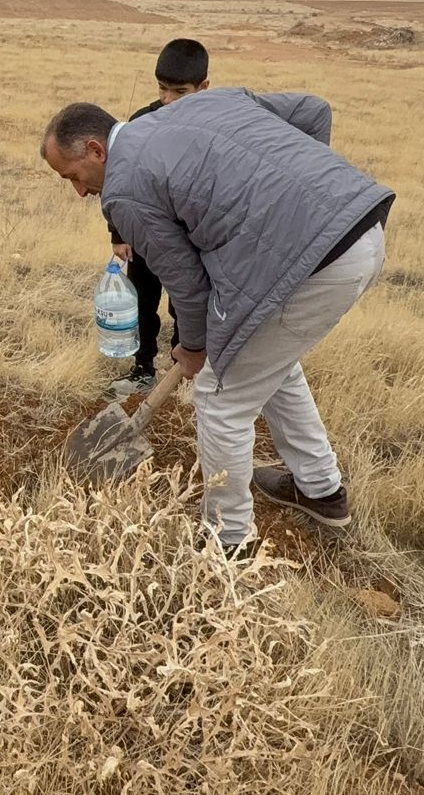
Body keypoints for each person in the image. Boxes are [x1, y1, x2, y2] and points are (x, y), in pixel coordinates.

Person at [41, 89, 394, 553]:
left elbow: (186, 283)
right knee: (266, 361)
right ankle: (320, 490)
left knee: (219, 395)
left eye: (73, 176)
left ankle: (227, 541)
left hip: (313, 265)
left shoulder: (124, 189)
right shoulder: (201, 104)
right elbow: (312, 111)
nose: (80, 191)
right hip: (362, 225)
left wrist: (193, 347)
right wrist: (302, 200)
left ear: (95, 150)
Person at [108, 38, 210, 397]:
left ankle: (185, 373)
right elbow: (120, 181)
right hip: (144, 235)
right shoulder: (141, 122)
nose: (167, 100)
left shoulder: (213, 126)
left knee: (186, 305)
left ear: (204, 87)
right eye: (162, 88)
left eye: (180, 92)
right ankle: (143, 368)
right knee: (142, 302)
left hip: (192, 239)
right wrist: (118, 234)